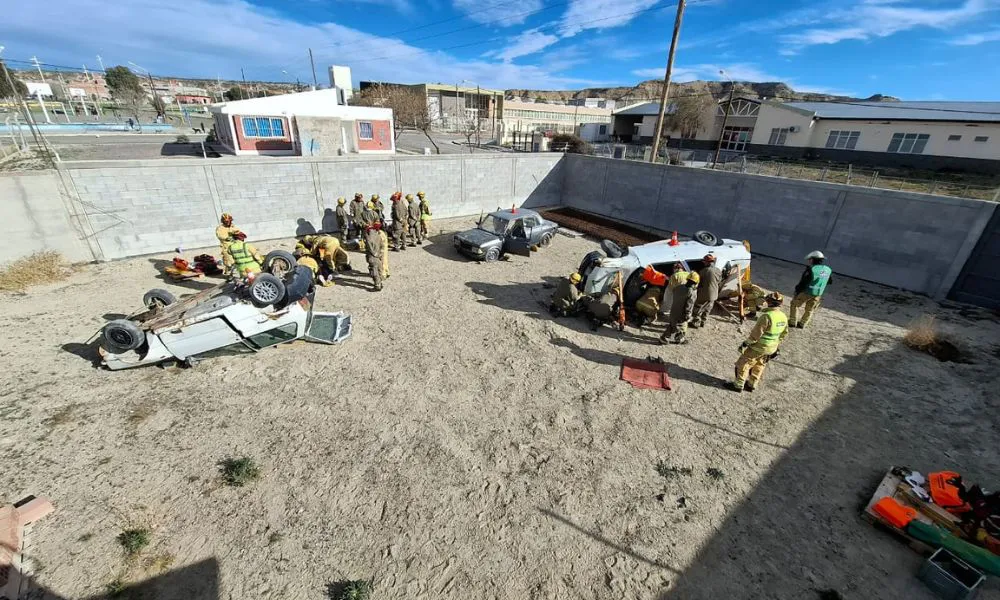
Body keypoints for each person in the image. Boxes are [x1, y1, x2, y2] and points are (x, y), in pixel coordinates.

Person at [733, 291, 788, 392]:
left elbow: (756, 334)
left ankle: (738, 385)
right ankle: (751, 385)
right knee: (759, 365)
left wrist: (745, 343)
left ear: (769, 302)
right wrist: (775, 344)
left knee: (743, 364)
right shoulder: (783, 316)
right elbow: (784, 333)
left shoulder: (767, 316)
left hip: (759, 347)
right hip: (771, 348)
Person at [790, 250, 833, 329]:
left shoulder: (811, 269)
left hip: (807, 292)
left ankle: (792, 322)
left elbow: (803, 282)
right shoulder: (827, 270)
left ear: (812, 259)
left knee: (794, 304)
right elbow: (829, 281)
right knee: (810, 309)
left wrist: (797, 291)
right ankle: (802, 324)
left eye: (809, 259)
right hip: (818, 294)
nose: (809, 261)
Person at [660, 271, 699, 344]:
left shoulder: (678, 287)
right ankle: (679, 339)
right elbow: (689, 305)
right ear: (696, 282)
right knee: (682, 327)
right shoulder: (692, 293)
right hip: (681, 314)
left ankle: (664, 338)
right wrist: (688, 315)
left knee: (672, 325)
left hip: (673, 310)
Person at [690, 254, 722, 328]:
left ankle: (695, 323)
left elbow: (698, 281)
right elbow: (719, 281)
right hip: (714, 294)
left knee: (698, 308)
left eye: (704, 261)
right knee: (708, 309)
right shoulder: (718, 270)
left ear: (707, 262)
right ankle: (703, 322)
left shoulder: (704, 271)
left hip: (704, 294)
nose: (703, 263)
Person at [363, 222, 385, 291]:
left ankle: (377, 285)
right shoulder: (378, 236)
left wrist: (374, 253)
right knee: (379, 269)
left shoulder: (368, 237)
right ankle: (380, 282)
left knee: (374, 270)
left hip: (372, 256)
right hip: (378, 255)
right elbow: (382, 245)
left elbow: (369, 247)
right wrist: (380, 254)